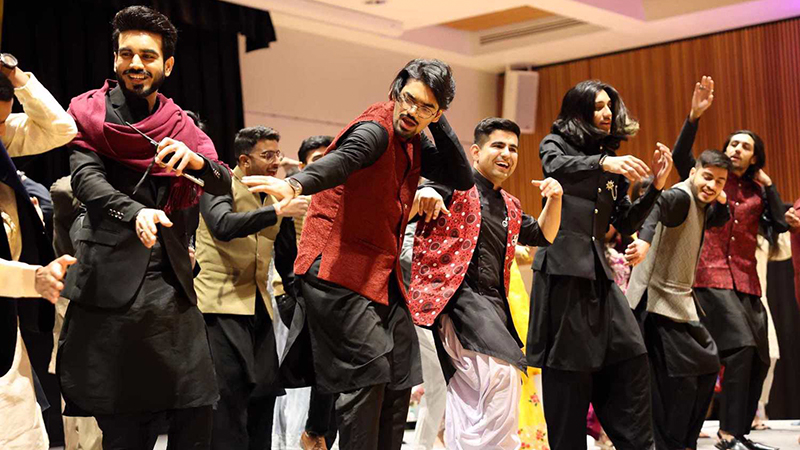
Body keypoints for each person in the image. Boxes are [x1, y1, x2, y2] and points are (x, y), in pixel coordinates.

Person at [245, 58, 474, 450]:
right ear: (395, 91)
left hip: (378, 274)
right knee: (367, 379)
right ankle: (318, 431)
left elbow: (461, 175)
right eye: (409, 99)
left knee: (401, 375)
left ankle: (316, 432)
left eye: (425, 108)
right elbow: (342, 160)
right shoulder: (376, 130)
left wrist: (435, 118)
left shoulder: (416, 136)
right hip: (336, 270)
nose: (412, 112)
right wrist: (297, 184)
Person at [58, 6, 232, 450]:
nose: (136, 64)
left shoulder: (181, 125)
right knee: (125, 429)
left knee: (197, 413)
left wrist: (194, 162)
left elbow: (221, 179)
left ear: (167, 65)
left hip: (171, 285)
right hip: (110, 286)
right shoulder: (88, 113)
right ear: (115, 59)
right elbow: (85, 180)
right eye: (127, 54)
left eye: (148, 56)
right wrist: (132, 211)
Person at [526, 79, 673, 450]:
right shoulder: (555, 144)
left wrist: (656, 186)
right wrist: (605, 162)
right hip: (562, 271)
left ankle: (636, 443)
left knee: (631, 353)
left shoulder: (611, 159)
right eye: (598, 106)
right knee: (568, 372)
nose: (607, 113)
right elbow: (557, 167)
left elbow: (623, 221)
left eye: (610, 106)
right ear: (579, 111)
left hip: (599, 274)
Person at [408, 117, 562, 449]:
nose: (507, 153)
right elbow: (422, 194)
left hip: (493, 305)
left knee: (472, 397)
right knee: (499, 379)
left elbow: (544, 235)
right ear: (476, 152)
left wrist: (555, 198)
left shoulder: (510, 204)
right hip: (458, 300)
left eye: (513, 148)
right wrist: (429, 192)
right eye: (498, 145)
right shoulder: (456, 184)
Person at [672, 76, 789, 450]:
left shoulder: (756, 190)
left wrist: (769, 186)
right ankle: (725, 432)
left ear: (755, 157)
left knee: (759, 357)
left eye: (745, 146)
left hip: (748, 282)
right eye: (734, 143)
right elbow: (681, 160)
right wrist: (694, 116)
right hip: (711, 277)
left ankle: (739, 432)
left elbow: (781, 224)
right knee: (739, 349)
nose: (737, 149)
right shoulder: (712, 181)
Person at [194, 126, 308, 449]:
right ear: (245, 160)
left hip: (260, 308)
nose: (275, 162)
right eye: (267, 155)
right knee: (228, 403)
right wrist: (275, 211)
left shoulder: (276, 194)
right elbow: (223, 226)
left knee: (264, 396)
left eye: (277, 154)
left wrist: (295, 297)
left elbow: (285, 253)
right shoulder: (218, 182)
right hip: (219, 307)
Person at [626, 150, 733, 450]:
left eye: (720, 182)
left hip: (676, 303)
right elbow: (657, 203)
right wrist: (645, 240)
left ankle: (677, 443)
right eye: (708, 177)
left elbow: (720, 218)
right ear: (693, 173)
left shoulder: (702, 203)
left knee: (698, 369)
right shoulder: (681, 197)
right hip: (655, 302)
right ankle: (672, 443)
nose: (712, 185)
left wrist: (721, 200)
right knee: (684, 376)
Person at [1, 55, 78, 449]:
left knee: (22, 434)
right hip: (16, 291)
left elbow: (62, 127)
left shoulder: (2, 138)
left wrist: (16, 77)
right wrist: (31, 277)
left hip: (8, 320)